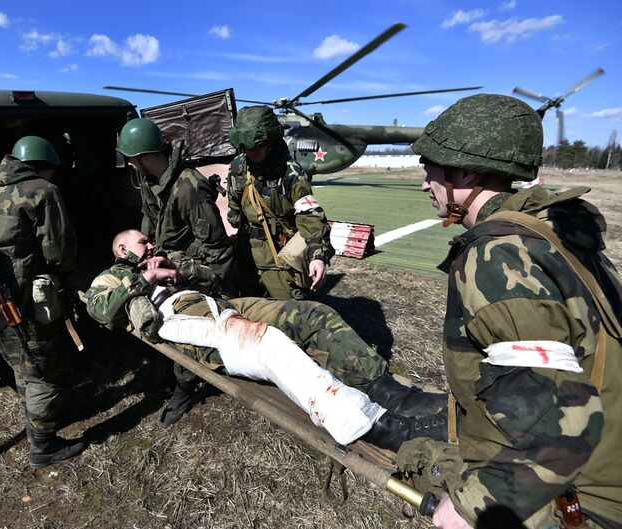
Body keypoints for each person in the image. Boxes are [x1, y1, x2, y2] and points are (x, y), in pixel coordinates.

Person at [402, 93, 622, 529]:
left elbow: (561, 418)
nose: (425, 183)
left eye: (431, 168)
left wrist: (473, 506)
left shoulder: (499, 257)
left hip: (581, 498)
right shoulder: (549, 232)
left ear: (465, 171)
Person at [84, 229, 448, 451]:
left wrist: (177, 270)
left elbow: (213, 277)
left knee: (314, 315)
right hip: (182, 320)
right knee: (269, 345)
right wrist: (149, 279)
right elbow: (101, 310)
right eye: (141, 241)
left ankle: (391, 392)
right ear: (122, 250)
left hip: (222, 304)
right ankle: (380, 429)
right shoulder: (112, 276)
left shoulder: (167, 257)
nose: (149, 243)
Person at [0, 136, 85, 468]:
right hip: (20, 299)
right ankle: (44, 446)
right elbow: (59, 252)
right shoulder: (43, 192)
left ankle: (37, 422)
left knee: (20, 363)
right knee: (41, 371)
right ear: (45, 165)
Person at [227, 106, 333, 300]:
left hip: (279, 258)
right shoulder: (238, 167)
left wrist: (317, 255)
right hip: (247, 256)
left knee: (288, 314)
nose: (252, 151)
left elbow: (310, 216)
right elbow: (234, 204)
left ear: (270, 140)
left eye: (258, 145)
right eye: (248, 146)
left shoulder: (290, 172)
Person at [116, 118, 234, 288]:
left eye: (131, 158)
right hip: (166, 263)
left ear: (143, 157)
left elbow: (217, 251)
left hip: (195, 272)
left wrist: (212, 287)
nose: (129, 163)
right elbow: (149, 223)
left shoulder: (190, 188)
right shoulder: (148, 183)